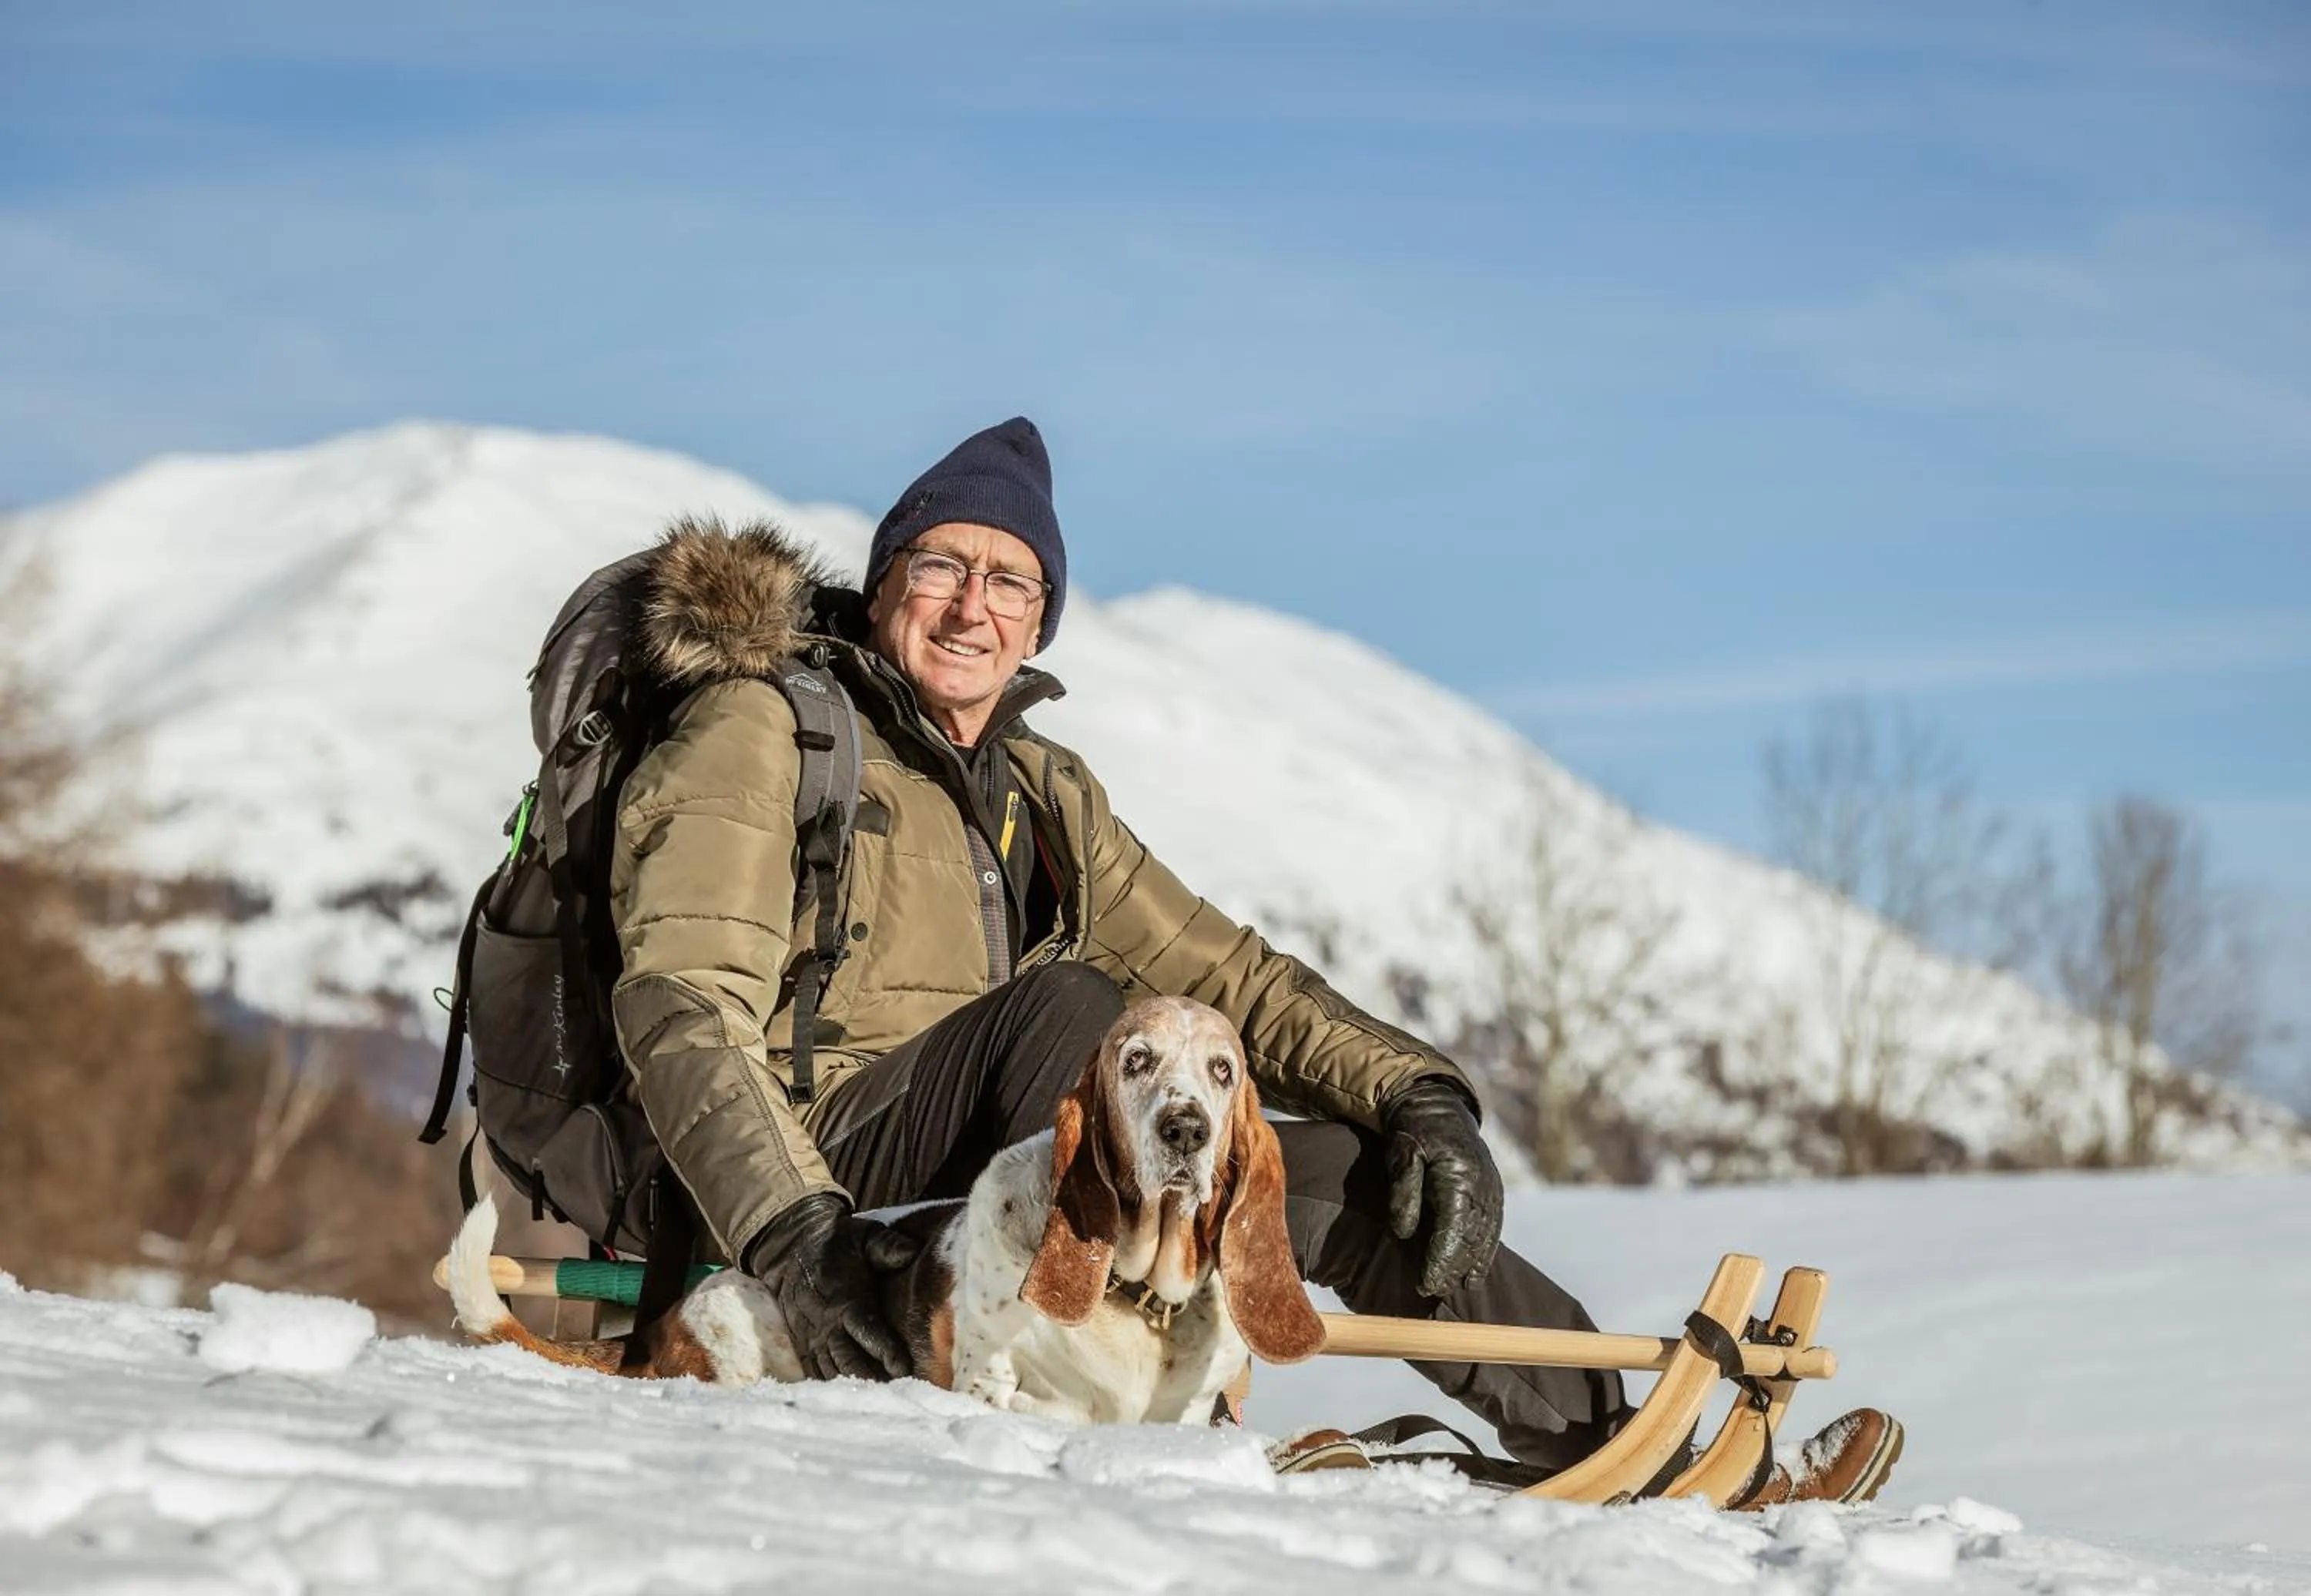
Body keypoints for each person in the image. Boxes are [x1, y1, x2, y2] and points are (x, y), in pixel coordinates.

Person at [605, 417, 1899, 1500]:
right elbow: (680, 1013)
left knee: (1335, 1173)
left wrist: (1416, 1098)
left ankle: (1624, 1443)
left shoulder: (1044, 792)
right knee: (1077, 1013)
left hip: (1007, 1177)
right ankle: (1149, 1419)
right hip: (824, 1184)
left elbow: (1232, 978)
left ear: (1041, 618)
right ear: (883, 581)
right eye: (944, 566)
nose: (973, 606)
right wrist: (799, 1238)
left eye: (1011, 582)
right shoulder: (764, 733)